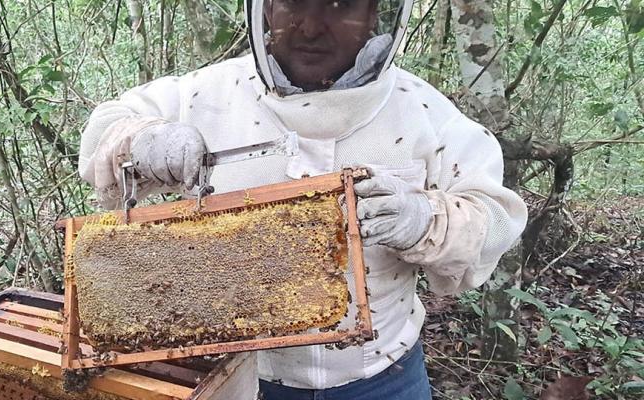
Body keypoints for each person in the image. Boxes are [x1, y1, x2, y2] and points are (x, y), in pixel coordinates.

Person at [77, 0, 528, 398]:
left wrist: (426, 220)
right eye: (293, 2)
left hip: (384, 378)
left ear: (374, 13)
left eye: (339, 4)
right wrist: (140, 139)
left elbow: (496, 217)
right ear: (266, 9)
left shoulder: (424, 112)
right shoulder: (205, 94)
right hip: (240, 377)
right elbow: (107, 125)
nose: (310, 26)